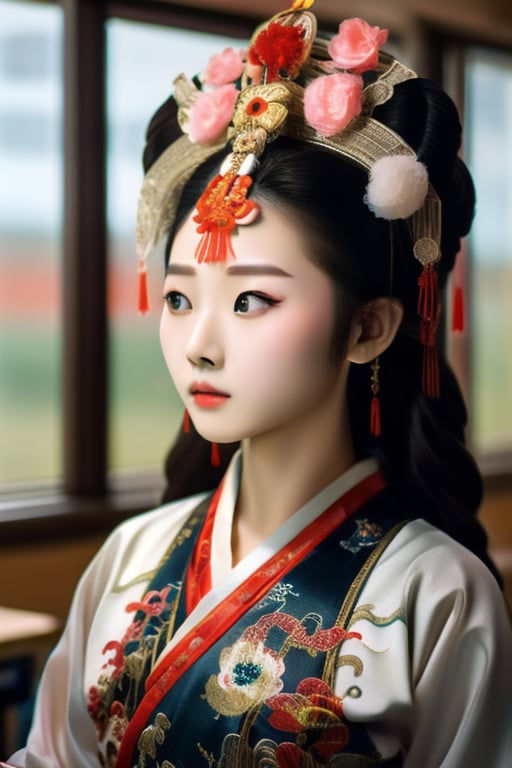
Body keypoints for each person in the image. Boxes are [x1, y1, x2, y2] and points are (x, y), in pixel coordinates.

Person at [8, 2, 512, 766]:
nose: (198, 348)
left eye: (252, 300)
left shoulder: (438, 595)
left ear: (368, 327)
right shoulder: (130, 555)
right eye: (179, 299)